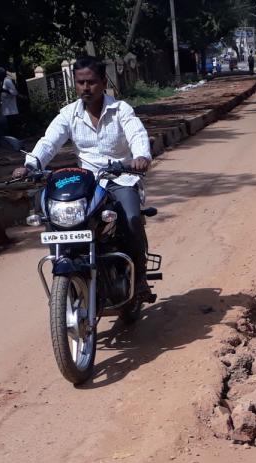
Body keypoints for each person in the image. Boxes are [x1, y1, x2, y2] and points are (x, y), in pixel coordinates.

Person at [20, 55, 153, 296]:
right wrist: (31, 164)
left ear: (103, 82)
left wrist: (141, 156)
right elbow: (49, 142)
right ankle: (67, 278)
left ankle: (140, 276)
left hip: (120, 178)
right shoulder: (69, 114)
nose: (85, 88)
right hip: (86, 184)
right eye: (80, 82)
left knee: (132, 219)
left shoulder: (121, 110)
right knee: (53, 220)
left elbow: (137, 135)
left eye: (90, 82)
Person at [0, 67, 25, 137]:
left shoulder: (7, 81)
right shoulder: (3, 82)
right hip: (7, 111)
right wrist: (0, 103)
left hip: (12, 111)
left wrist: (3, 90)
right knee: (10, 129)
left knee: (14, 129)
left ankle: (18, 142)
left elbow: (14, 93)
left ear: (1, 75)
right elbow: (5, 97)